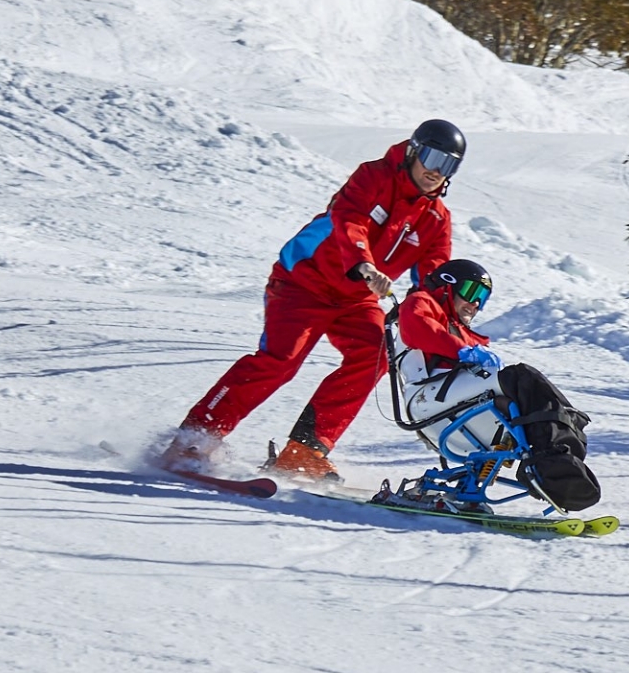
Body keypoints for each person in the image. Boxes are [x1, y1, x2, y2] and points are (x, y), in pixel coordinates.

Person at [167, 119, 464, 480]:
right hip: (303, 282)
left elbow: (432, 281)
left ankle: (306, 449)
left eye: (447, 165)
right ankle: (195, 437)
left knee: (376, 356)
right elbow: (348, 218)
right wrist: (365, 265)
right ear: (414, 152)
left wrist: (443, 319)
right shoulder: (375, 177)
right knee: (281, 360)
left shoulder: (435, 218)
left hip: (356, 300)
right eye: (432, 158)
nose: (436, 171)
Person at [393, 258, 601, 512]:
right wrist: (464, 351)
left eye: (483, 297)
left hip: (455, 403)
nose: (475, 303)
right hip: (429, 398)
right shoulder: (422, 303)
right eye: (472, 291)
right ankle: (548, 465)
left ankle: (562, 465)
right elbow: (418, 328)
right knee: (522, 378)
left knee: (534, 401)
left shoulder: (461, 329)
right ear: (447, 286)